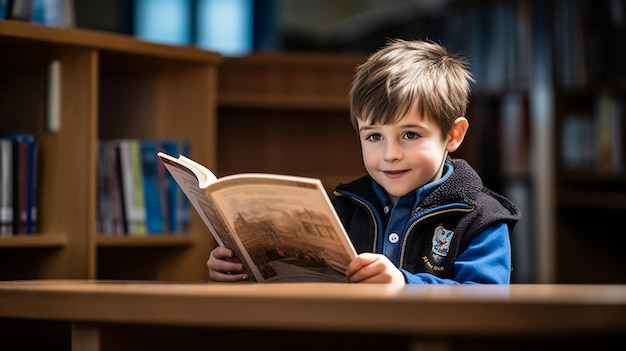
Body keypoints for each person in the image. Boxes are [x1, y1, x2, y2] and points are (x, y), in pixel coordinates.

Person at [207, 39, 521, 285]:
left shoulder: (481, 217)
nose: (390, 154)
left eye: (410, 135)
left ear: (453, 135)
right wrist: (238, 271)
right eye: (374, 136)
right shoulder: (342, 209)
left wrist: (404, 283)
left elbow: (483, 299)